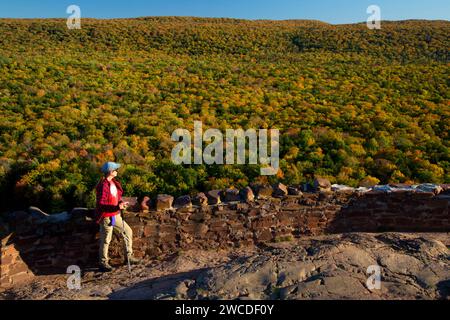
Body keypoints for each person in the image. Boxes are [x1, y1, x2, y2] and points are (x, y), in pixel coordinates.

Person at [95, 162, 141, 272]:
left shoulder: (113, 183)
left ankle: (128, 256)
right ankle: (103, 263)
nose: (117, 171)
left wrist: (121, 203)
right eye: (116, 169)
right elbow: (101, 204)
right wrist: (117, 207)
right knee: (106, 240)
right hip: (106, 216)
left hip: (115, 215)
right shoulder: (103, 185)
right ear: (111, 171)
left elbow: (116, 197)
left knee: (127, 232)